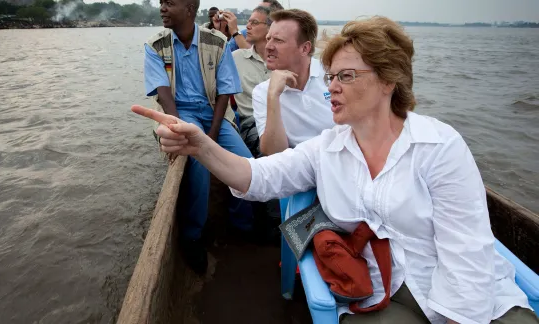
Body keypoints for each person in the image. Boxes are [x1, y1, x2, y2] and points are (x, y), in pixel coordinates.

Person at [132, 16, 539, 324]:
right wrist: (199, 145)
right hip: (382, 289)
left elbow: (465, 255)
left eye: (346, 76)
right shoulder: (326, 148)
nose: (333, 87)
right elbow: (256, 177)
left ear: (388, 82)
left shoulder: (438, 145)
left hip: (468, 293)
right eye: (331, 76)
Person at [143, 0, 253, 275]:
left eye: (169, 3)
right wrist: (180, 126)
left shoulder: (216, 42)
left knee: (247, 161)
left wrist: (211, 136)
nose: (162, 8)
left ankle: (241, 224)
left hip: (213, 112)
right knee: (200, 165)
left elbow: (225, 91)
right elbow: (163, 92)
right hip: (180, 113)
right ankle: (193, 234)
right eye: (161, 3)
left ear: (190, 9)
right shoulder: (156, 46)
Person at [253, 9, 335, 156]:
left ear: (305, 48)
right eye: (268, 38)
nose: (268, 46)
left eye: (278, 40)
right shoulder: (263, 92)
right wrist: (273, 96)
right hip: (298, 171)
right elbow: (273, 153)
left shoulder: (332, 75)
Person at [232, 5, 274, 157]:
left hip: (283, 120)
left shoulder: (283, 61)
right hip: (252, 123)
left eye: (254, 23)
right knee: (269, 152)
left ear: (270, 28)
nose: (247, 26)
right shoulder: (236, 58)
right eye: (248, 22)